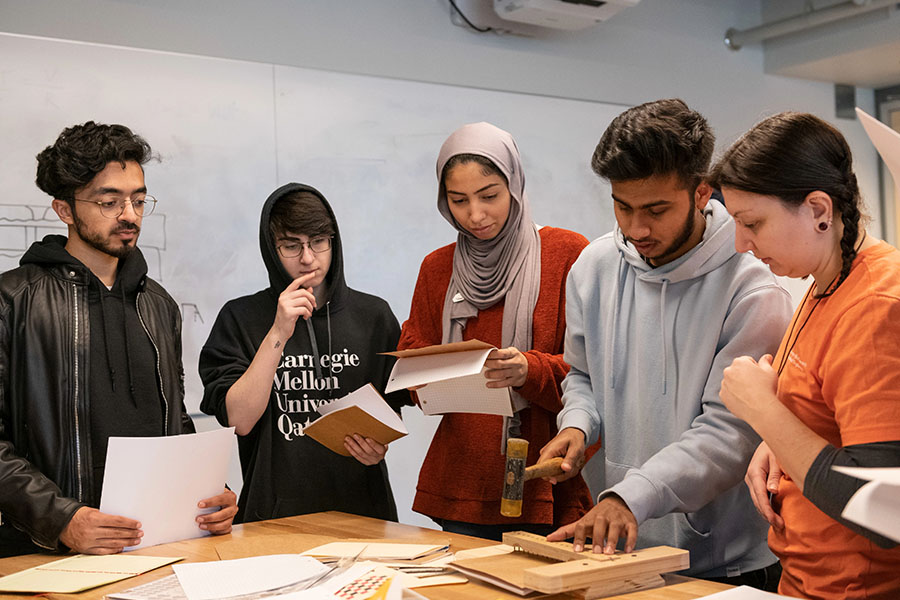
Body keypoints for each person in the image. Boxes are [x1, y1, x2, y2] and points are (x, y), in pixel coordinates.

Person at [539, 99, 793, 588]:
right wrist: (578, 424)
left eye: (656, 209)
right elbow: (583, 376)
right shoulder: (593, 268)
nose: (636, 229)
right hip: (623, 546)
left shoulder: (753, 288)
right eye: (622, 206)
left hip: (725, 564)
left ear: (701, 193)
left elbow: (728, 434)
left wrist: (630, 495)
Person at [0, 122, 236, 557]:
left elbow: (174, 423)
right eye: (109, 201)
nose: (129, 214)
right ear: (64, 210)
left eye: (139, 199)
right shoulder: (13, 301)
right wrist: (62, 519)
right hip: (42, 554)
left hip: (159, 544)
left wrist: (212, 492)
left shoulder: (158, 305)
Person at [712, 112, 900, 599]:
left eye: (752, 223)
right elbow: (830, 424)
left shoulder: (875, 306)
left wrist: (765, 413)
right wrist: (778, 437)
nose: (741, 243)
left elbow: (884, 509)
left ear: (818, 208)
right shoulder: (823, 284)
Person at [398, 122, 595, 540]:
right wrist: (425, 376)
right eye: (458, 200)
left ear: (515, 186)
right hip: (462, 482)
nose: (475, 214)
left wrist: (530, 370)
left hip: (544, 475)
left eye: (489, 196)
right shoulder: (437, 268)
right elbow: (413, 371)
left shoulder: (568, 253)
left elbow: (597, 375)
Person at [199, 183, 407, 523]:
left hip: (363, 514)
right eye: (291, 246)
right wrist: (279, 330)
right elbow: (239, 420)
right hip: (272, 516)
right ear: (271, 249)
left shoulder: (374, 316)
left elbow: (392, 414)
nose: (308, 258)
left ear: (333, 243)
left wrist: (377, 447)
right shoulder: (240, 318)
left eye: (318, 243)